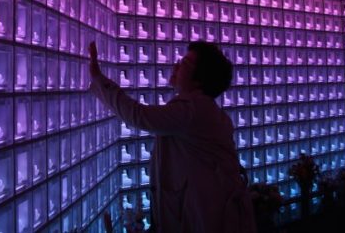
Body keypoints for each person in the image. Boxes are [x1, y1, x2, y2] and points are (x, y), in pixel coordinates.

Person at [88, 41, 256, 233]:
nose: (176, 66)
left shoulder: (193, 110)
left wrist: (97, 77)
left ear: (199, 79)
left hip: (208, 217)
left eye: (184, 63)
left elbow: (139, 116)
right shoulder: (203, 108)